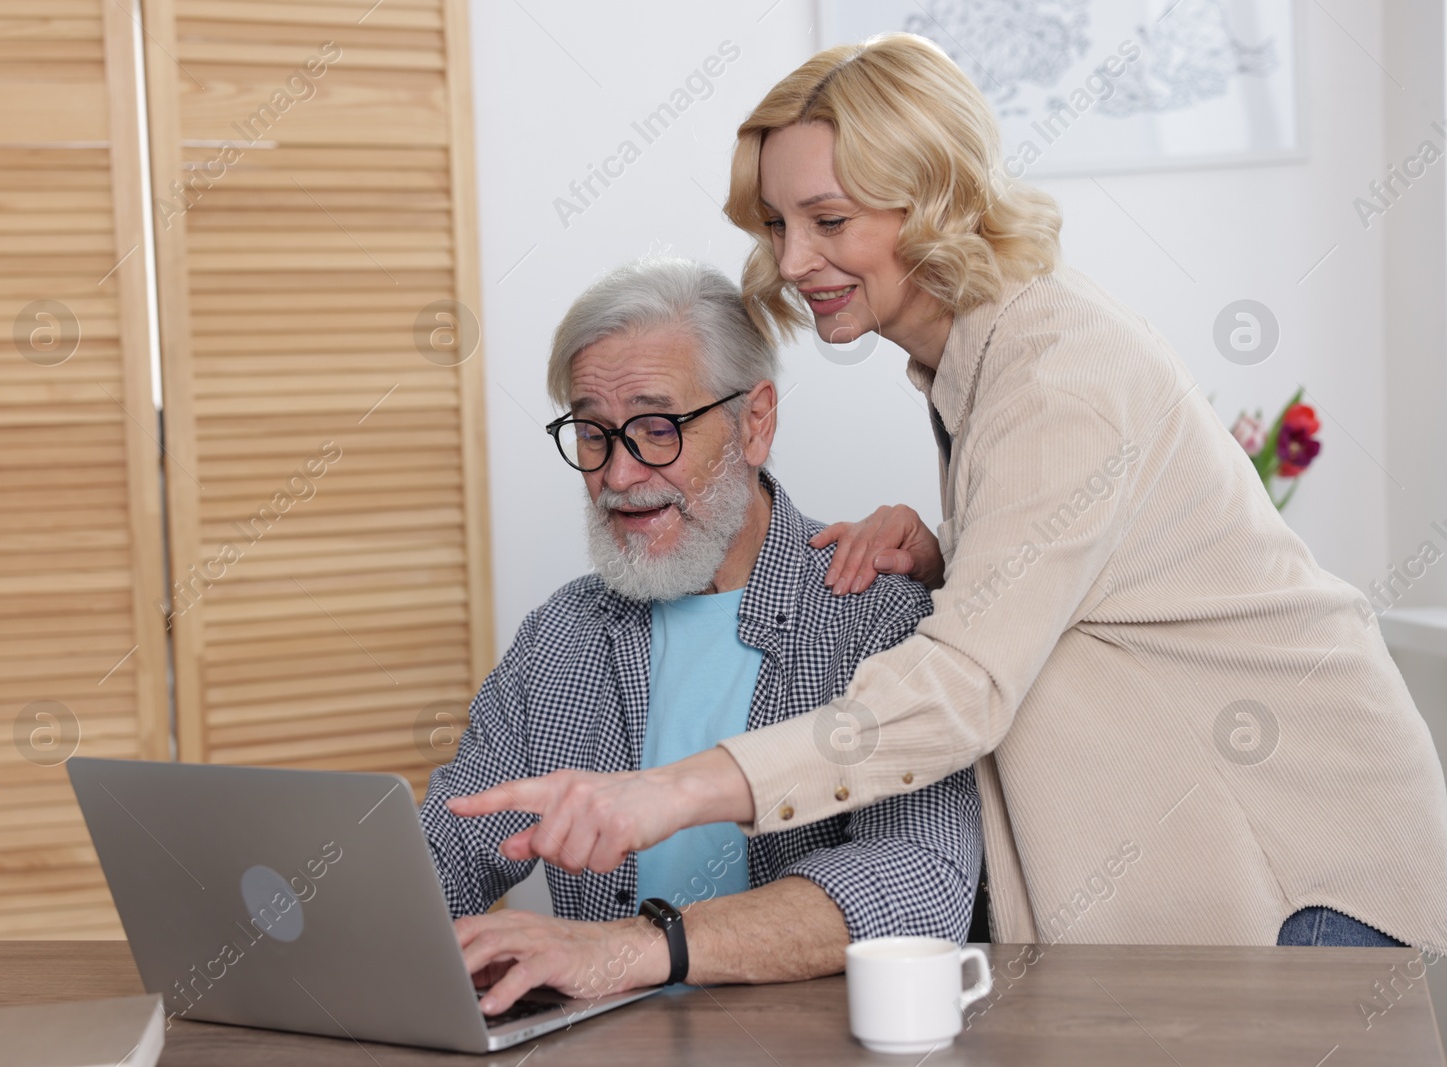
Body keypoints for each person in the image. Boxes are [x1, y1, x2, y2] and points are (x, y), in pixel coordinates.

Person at [449, 33, 1447, 951]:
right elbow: (1094, 571)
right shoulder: (971, 371)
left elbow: (956, 692)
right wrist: (953, 548)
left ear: (931, 199)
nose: (792, 262)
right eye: (778, 223)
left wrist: (669, 793)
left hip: (1306, 859)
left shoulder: (1054, 371)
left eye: (829, 220)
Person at [421, 256, 981, 1016]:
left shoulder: (875, 615)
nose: (618, 474)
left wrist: (640, 948)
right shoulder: (560, 635)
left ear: (755, 422)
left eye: (657, 428)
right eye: (592, 432)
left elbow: (922, 882)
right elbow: (450, 845)